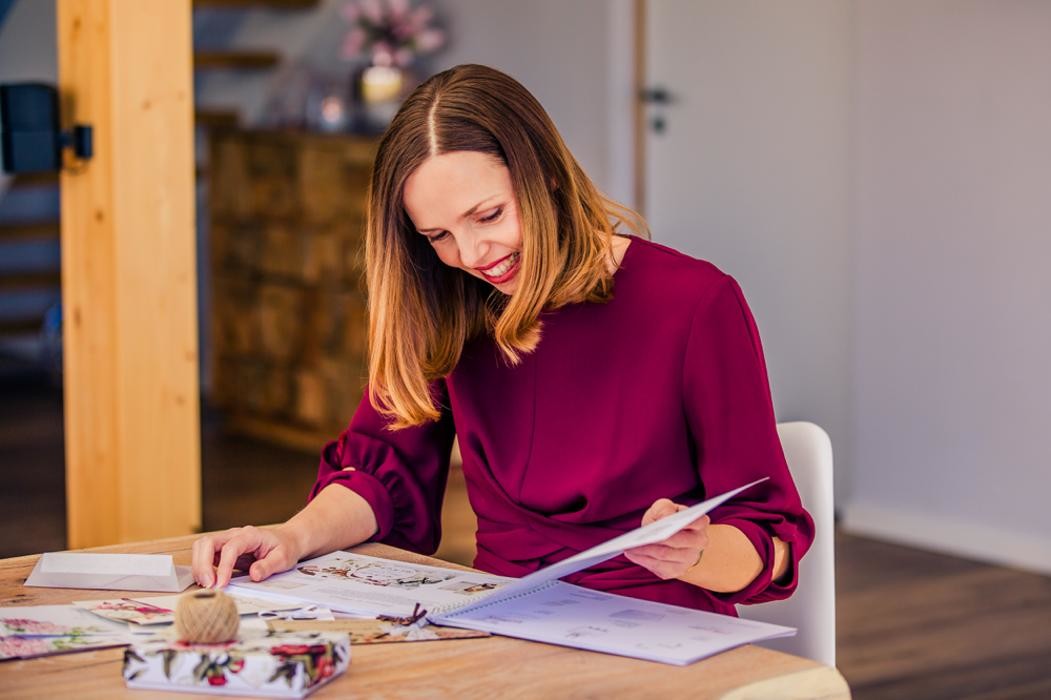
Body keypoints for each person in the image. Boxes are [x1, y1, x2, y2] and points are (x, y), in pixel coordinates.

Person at [192, 64, 814, 617]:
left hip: (659, 634)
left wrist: (697, 553)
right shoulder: (448, 299)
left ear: (543, 173)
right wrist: (292, 537)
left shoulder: (695, 303)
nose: (470, 255)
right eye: (437, 235)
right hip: (502, 627)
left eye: (487, 216)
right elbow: (384, 473)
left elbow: (771, 543)